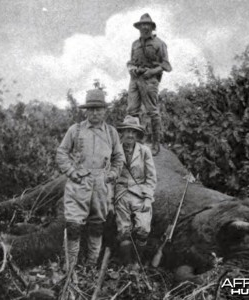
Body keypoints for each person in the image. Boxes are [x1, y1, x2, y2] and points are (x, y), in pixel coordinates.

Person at [56, 88, 124, 270]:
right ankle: (70, 268)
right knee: (73, 226)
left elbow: (119, 157)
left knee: (97, 226)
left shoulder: (111, 133)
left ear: (105, 110)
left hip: (101, 185)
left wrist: (111, 175)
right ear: (85, 111)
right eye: (91, 109)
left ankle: (91, 267)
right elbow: (61, 153)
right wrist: (71, 172)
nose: (95, 113)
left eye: (98, 109)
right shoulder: (76, 130)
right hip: (79, 183)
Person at [127, 13, 172, 156]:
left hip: (150, 79)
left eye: (147, 25)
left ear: (152, 27)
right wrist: (132, 69)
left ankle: (156, 143)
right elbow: (130, 62)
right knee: (132, 111)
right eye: (142, 25)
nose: (144, 27)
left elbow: (166, 65)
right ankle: (136, 141)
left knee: (152, 111)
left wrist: (152, 72)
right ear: (139, 27)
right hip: (135, 79)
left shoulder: (159, 43)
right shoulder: (135, 44)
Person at [114, 115, 157, 267]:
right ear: (122, 133)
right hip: (121, 193)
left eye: (133, 132)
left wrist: (147, 198)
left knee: (143, 229)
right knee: (123, 230)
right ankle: (128, 265)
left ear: (137, 134)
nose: (130, 135)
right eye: (127, 131)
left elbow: (151, 177)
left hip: (140, 193)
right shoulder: (115, 150)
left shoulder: (144, 151)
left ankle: (138, 263)